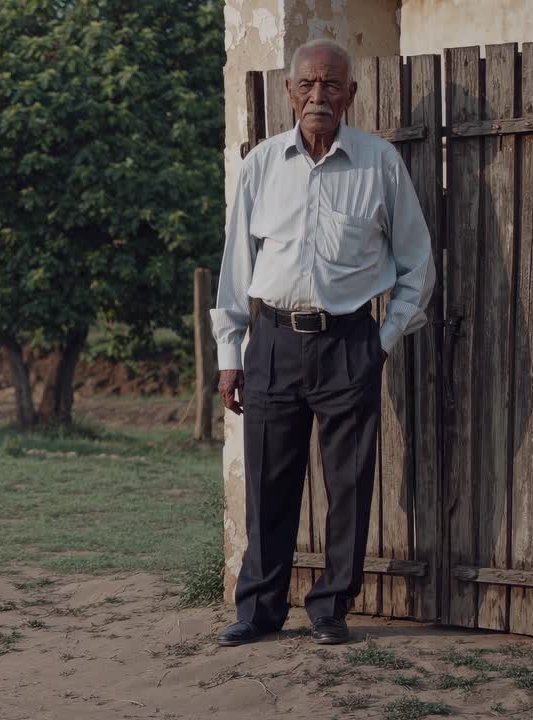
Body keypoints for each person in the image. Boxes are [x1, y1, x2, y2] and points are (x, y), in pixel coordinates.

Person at [211, 38, 436, 646]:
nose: (318, 96)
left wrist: (382, 340)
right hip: (272, 342)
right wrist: (230, 355)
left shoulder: (379, 162)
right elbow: (237, 266)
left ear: (350, 95)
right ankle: (258, 612)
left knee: (350, 484)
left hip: (348, 344)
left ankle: (331, 607)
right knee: (269, 484)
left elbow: (418, 266)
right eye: (307, 85)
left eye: (331, 85)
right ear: (289, 92)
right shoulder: (260, 164)